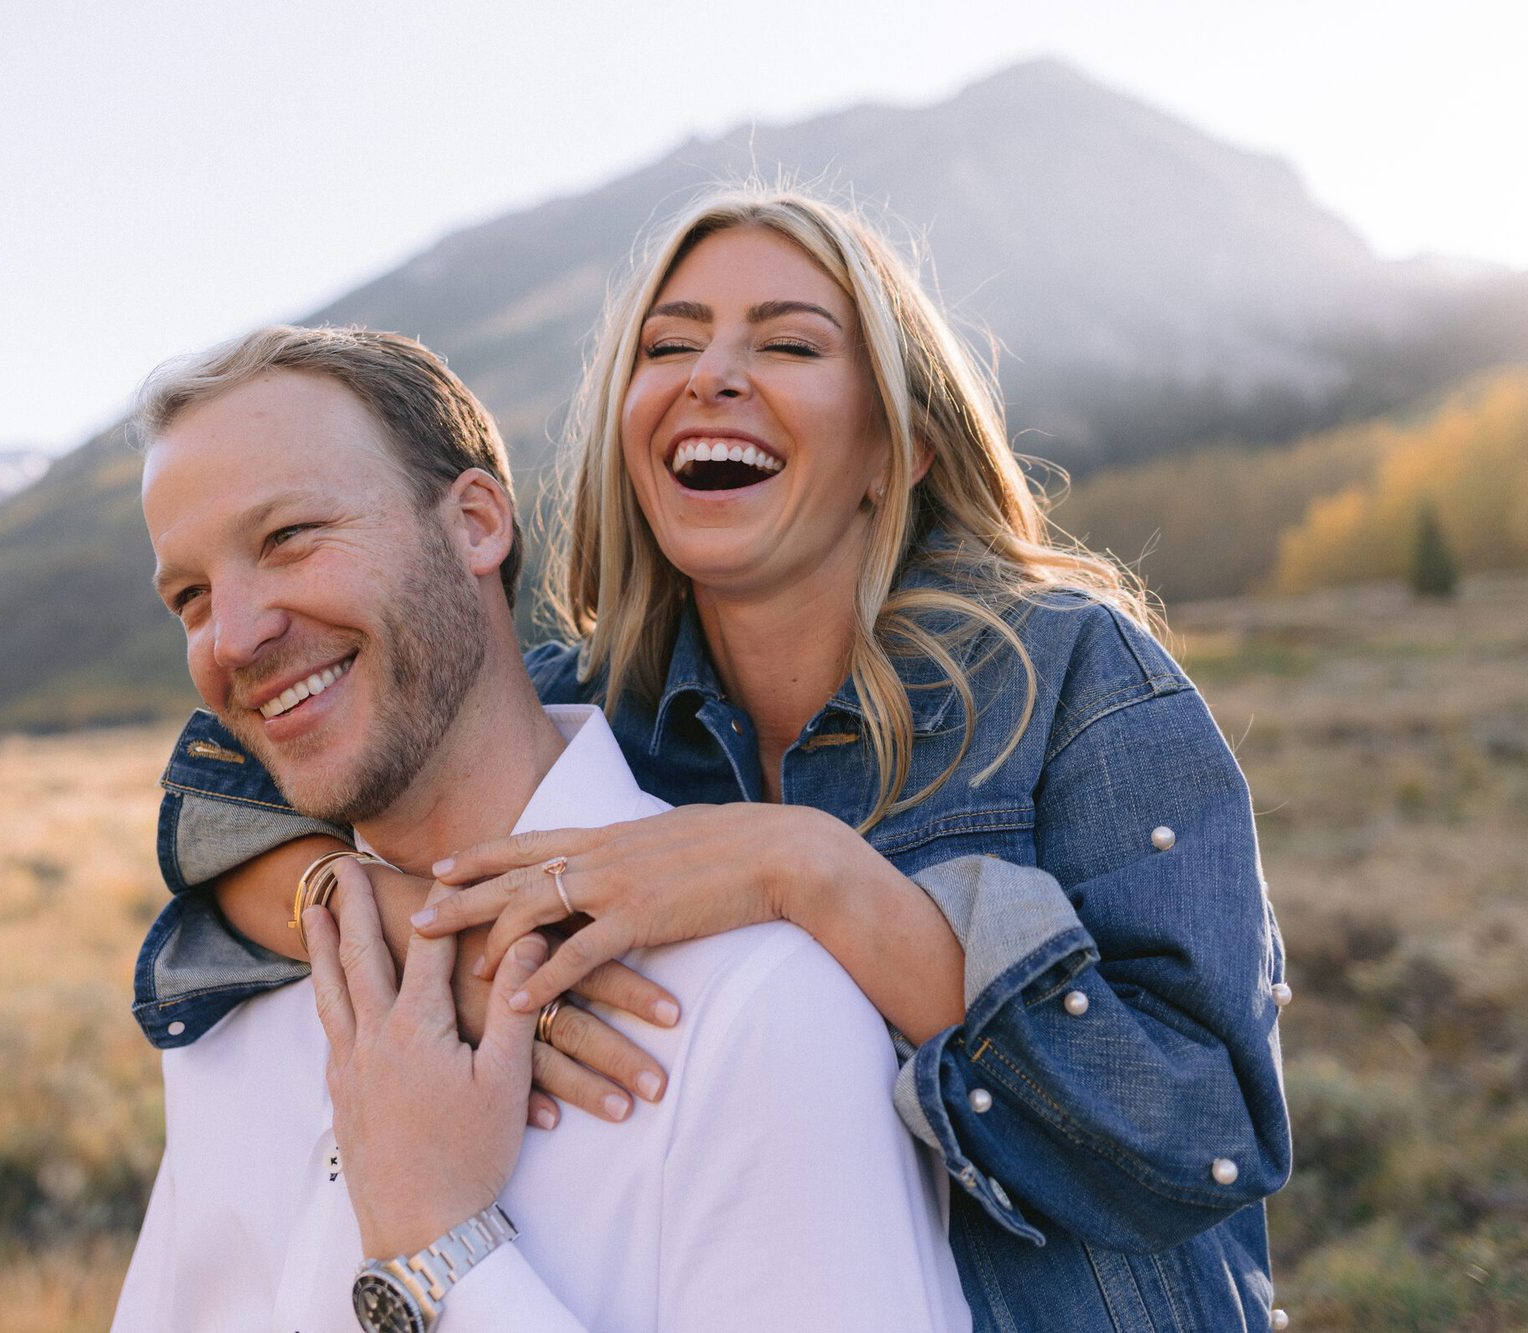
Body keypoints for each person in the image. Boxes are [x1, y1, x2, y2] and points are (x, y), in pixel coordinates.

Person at [139, 187, 1294, 1331]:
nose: (711, 373)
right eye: (667, 344)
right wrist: (393, 914)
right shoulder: (592, 695)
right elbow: (229, 779)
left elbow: (1199, 1135)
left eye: (787, 342)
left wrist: (806, 870)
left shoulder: (1069, 679)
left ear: (898, 446)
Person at [114, 325, 970, 1331]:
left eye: (289, 536)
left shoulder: (754, 1005)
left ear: (475, 523)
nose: (236, 634)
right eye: (190, 596)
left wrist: (440, 1250)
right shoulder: (237, 1009)